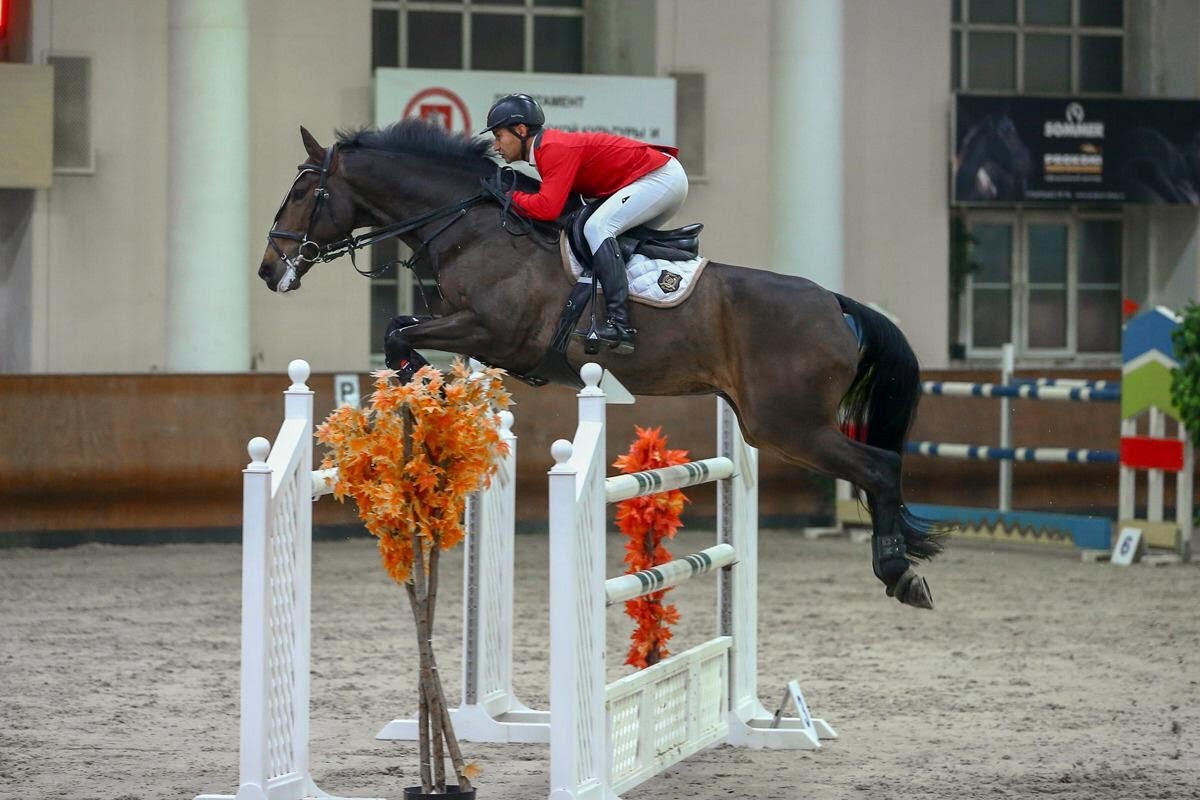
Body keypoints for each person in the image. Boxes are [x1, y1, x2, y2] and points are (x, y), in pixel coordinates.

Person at [481, 93, 688, 354]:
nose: (496, 145)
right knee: (605, 236)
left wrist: (508, 197)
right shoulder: (547, 149)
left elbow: (547, 208)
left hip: (661, 178)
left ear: (521, 130)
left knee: (597, 228)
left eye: (499, 136)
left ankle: (620, 324)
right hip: (658, 178)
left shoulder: (552, 148)